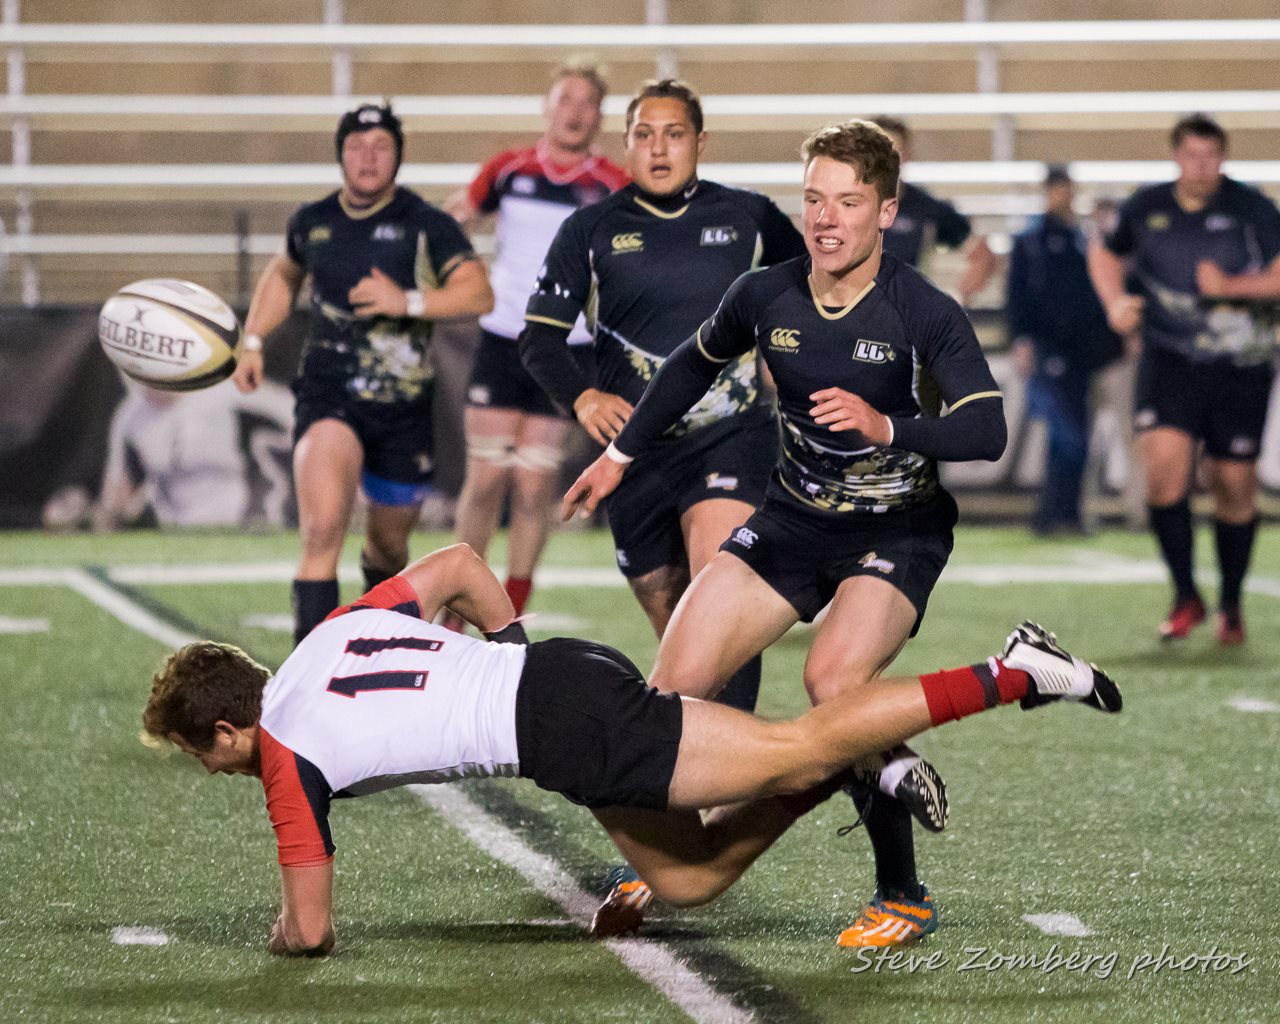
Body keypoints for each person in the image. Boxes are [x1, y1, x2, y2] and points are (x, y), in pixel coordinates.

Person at [142, 541, 1120, 957]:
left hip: (569, 727)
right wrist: (512, 657)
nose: (212, 769)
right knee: (687, 881)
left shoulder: (280, 755)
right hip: (561, 698)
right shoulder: (316, 644)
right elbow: (455, 567)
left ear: (227, 728)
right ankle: (834, 776)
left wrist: (277, 936)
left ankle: (1013, 672)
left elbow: (309, 930)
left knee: (795, 734)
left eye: (204, 754)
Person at [564, 119, 1008, 946]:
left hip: (896, 531)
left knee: (835, 685)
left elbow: (987, 431)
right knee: (667, 694)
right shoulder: (767, 293)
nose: (827, 218)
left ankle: (902, 893)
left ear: (886, 210)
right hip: (793, 522)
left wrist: (890, 427)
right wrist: (620, 456)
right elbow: (692, 366)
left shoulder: (922, 310)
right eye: (814, 199)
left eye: (848, 201)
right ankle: (662, 859)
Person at [519, 78, 808, 713]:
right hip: (634, 455)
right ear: (625, 145)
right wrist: (584, 398)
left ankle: (732, 788)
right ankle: (702, 764)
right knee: (683, 643)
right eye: (644, 135)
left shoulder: (750, 217)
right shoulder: (589, 229)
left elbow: (814, 295)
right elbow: (537, 340)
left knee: (722, 587)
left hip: (730, 434)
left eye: (673, 134)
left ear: (700, 142)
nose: (658, 148)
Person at [231, 103, 494, 646]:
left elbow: (478, 292)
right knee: (321, 529)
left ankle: (383, 645)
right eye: (357, 146)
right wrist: (253, 339)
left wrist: (408, 300)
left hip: (403, 412)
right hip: (330, 398)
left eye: (381, 146)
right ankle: (311, 674)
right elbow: (283, 275)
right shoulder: (314, 220)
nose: (368, 157)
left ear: (398, 157)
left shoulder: (427, 226)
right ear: (340, 155)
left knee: (389, 549)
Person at [445, 63, 628, 621]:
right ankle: (455, 602)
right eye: (565, 98)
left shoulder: (613, 185)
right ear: (547, 107)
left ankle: (509, 609)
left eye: (586, 102)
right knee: (485, 479)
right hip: (503, 337)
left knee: (532, 485)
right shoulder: (509, 170)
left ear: (599, 115)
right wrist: (456, 268)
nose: (574, 110)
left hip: (567, 349)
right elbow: (454, 220)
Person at [1088, 113, 1280, 645]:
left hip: (1240, 365)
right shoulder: (1146, 206)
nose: (1201, 166)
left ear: (1224, 157)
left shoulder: (1252, 208)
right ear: (1175, 156)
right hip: (1168, 360)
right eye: (1191, 155)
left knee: (1234, 486)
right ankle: (1185, 595)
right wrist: (1114, 303)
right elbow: (1105, 253)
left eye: (1211, 156)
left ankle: (1233, 604)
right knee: (1165, 477)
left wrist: (1234, 286)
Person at [1008, 165, 1121, 536]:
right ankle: (1052, 516)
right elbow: (1019, 294)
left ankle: (1065, 515)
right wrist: (1022, 339)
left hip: (1079, 351)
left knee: (1076, 434)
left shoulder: (1080, 237)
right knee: (1064, 434)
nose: (1063, 196)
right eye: (1058, 189)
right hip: (1047, 346)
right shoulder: (1032, 239)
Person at [93, 378, 294, 531]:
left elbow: (296, 410)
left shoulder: (227, 393)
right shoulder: (130, 414)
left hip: (247, 522)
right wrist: (95, 515)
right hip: (178, 533)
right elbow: (117, 495)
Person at [870, 116, 997, 305]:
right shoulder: (841, 206)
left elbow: (982, 255)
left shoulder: (925, 208)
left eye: (894, 151)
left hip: (906, 319)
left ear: (906, 155)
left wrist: (957, 301)